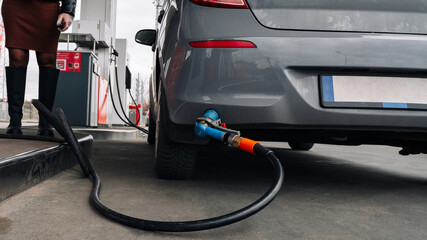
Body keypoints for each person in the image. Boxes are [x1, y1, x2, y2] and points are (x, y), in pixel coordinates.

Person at [2, 0, 76, 136]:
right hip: (15, 6)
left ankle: (45, 122)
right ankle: (15, 121)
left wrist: (68, 11)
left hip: (47, 7)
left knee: (47, 59)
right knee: (17, 58)